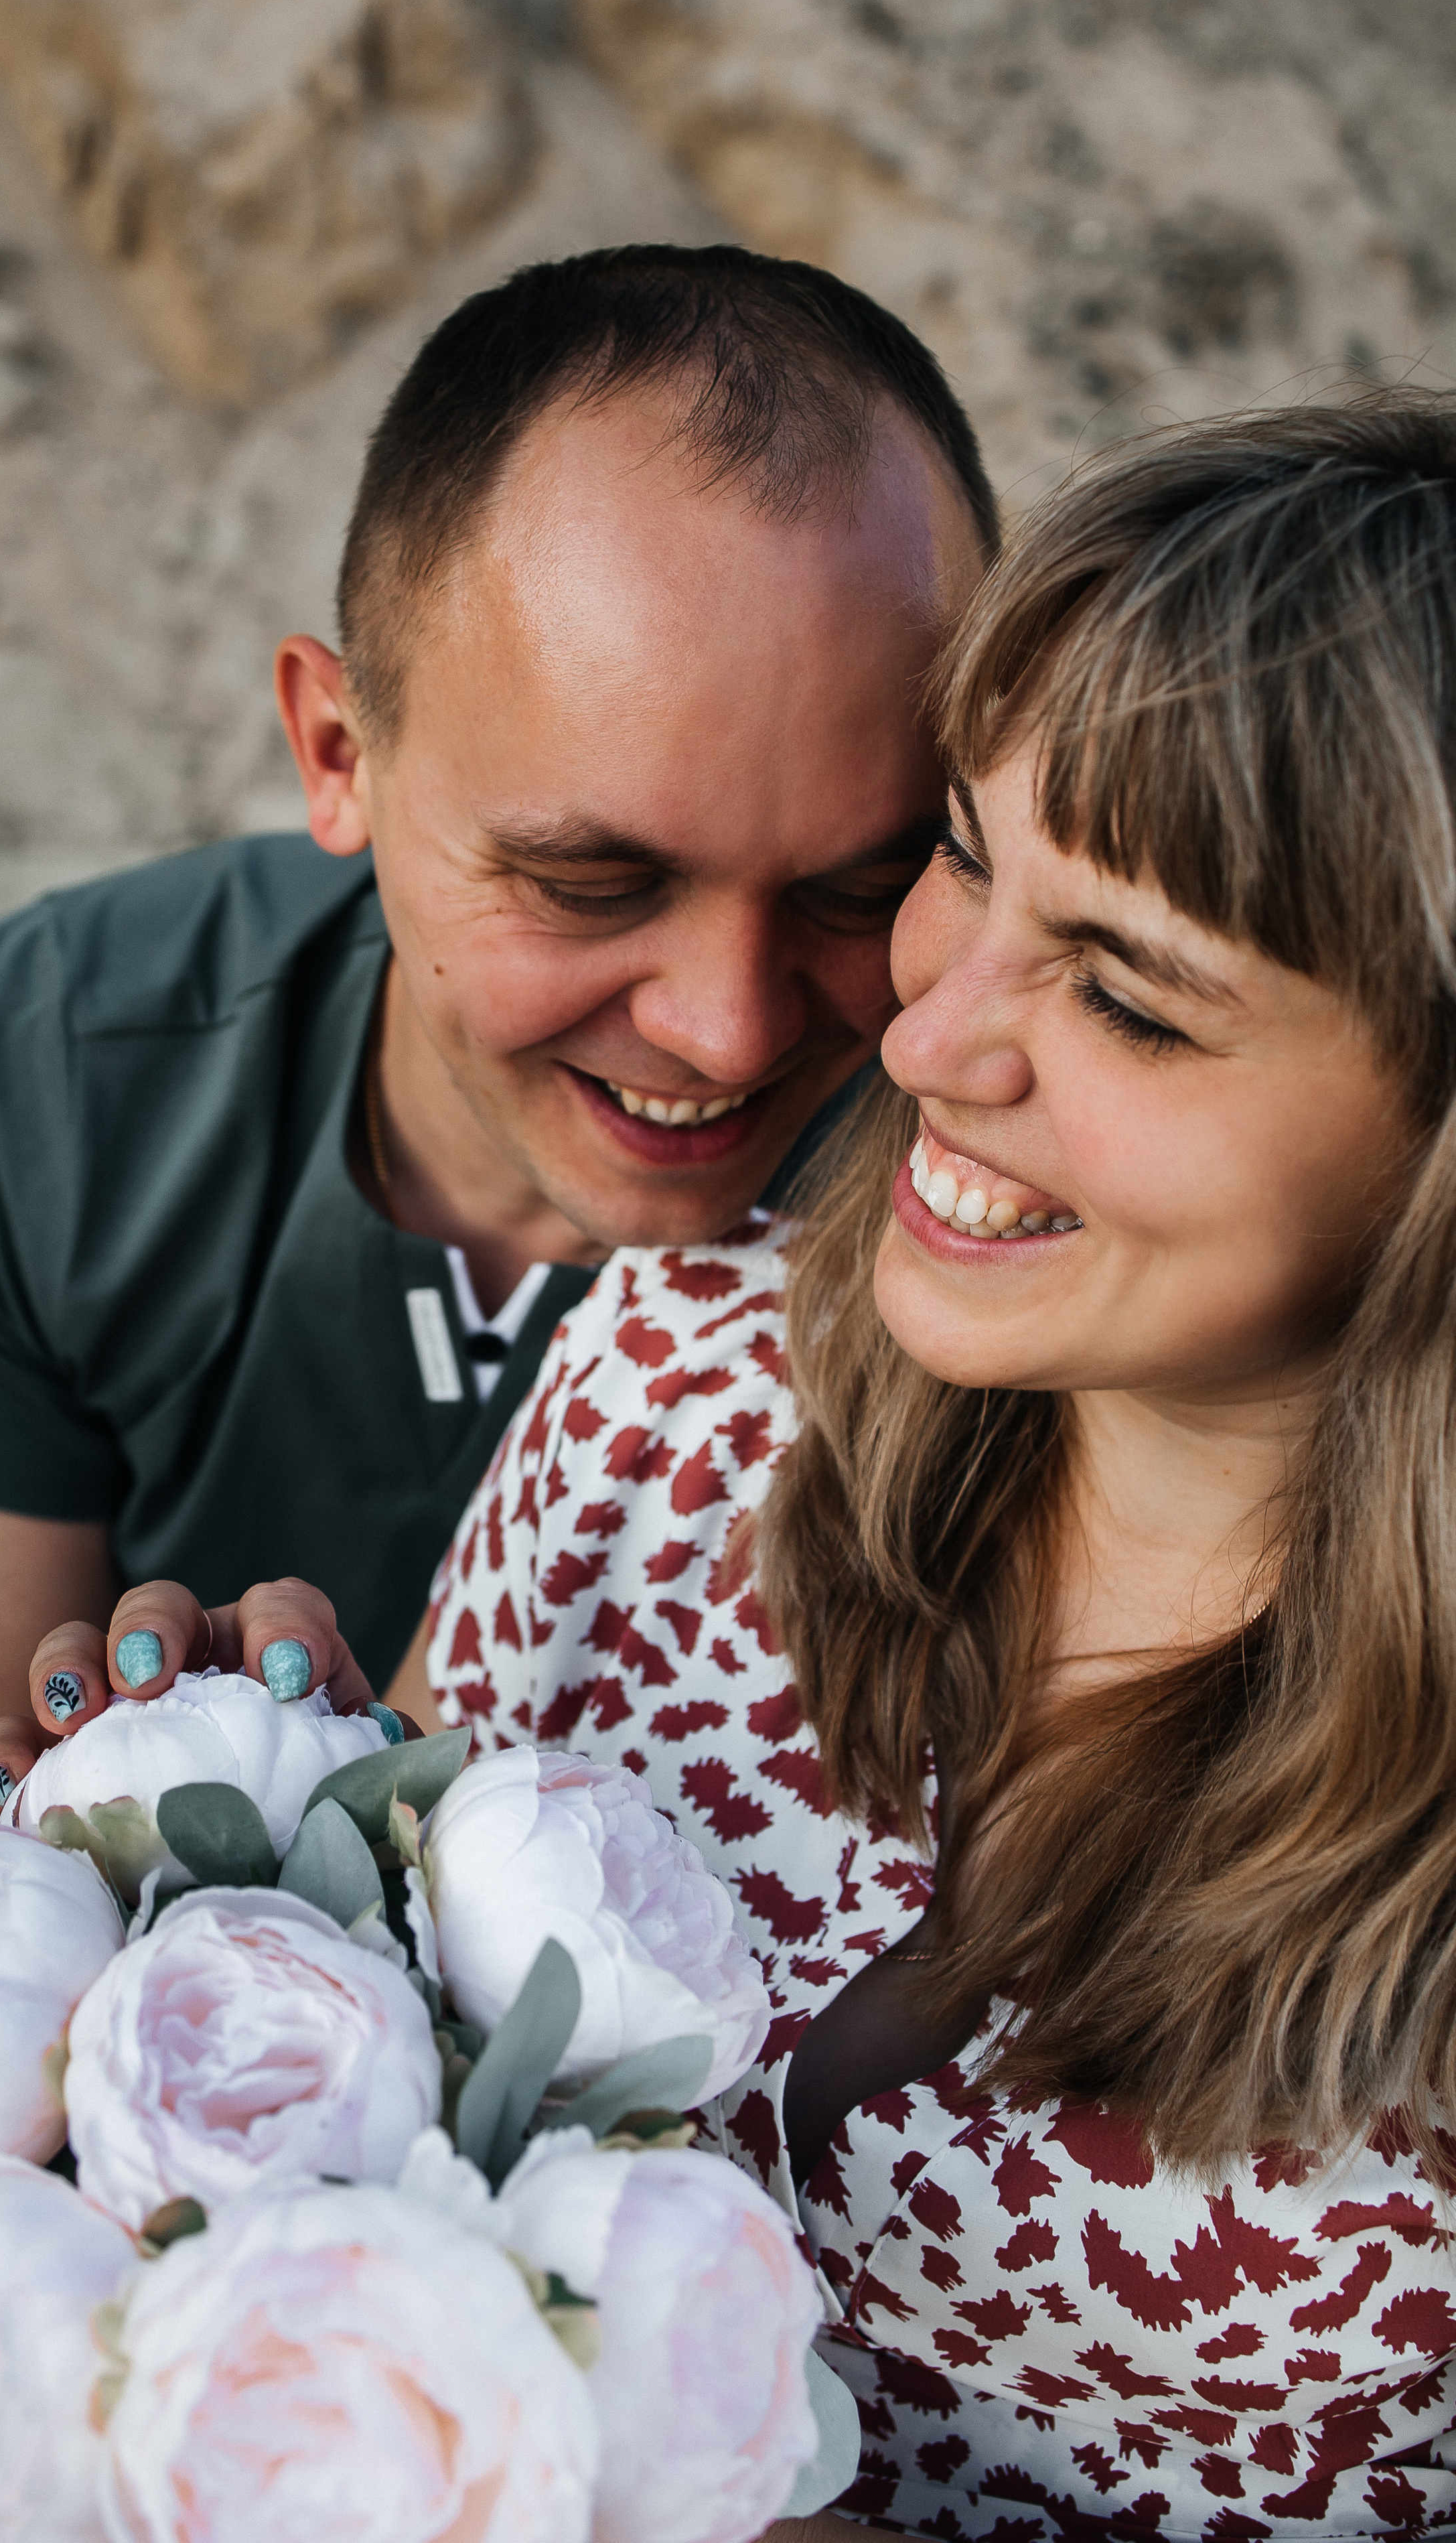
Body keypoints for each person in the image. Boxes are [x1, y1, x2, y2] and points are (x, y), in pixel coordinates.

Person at [0, 246, 995, 2535]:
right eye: (589, 876)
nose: (725, 1027)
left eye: (859, 880)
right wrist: (120, 1816)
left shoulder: (1008, 1189)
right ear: (338, 749)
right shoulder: (41, 1080)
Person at [406, 398, 1456, 2535]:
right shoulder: (678, 1382)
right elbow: (383, 2093)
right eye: (964, 862)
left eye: (1133, 1003)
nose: (924, 1041)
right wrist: (217, 1869)